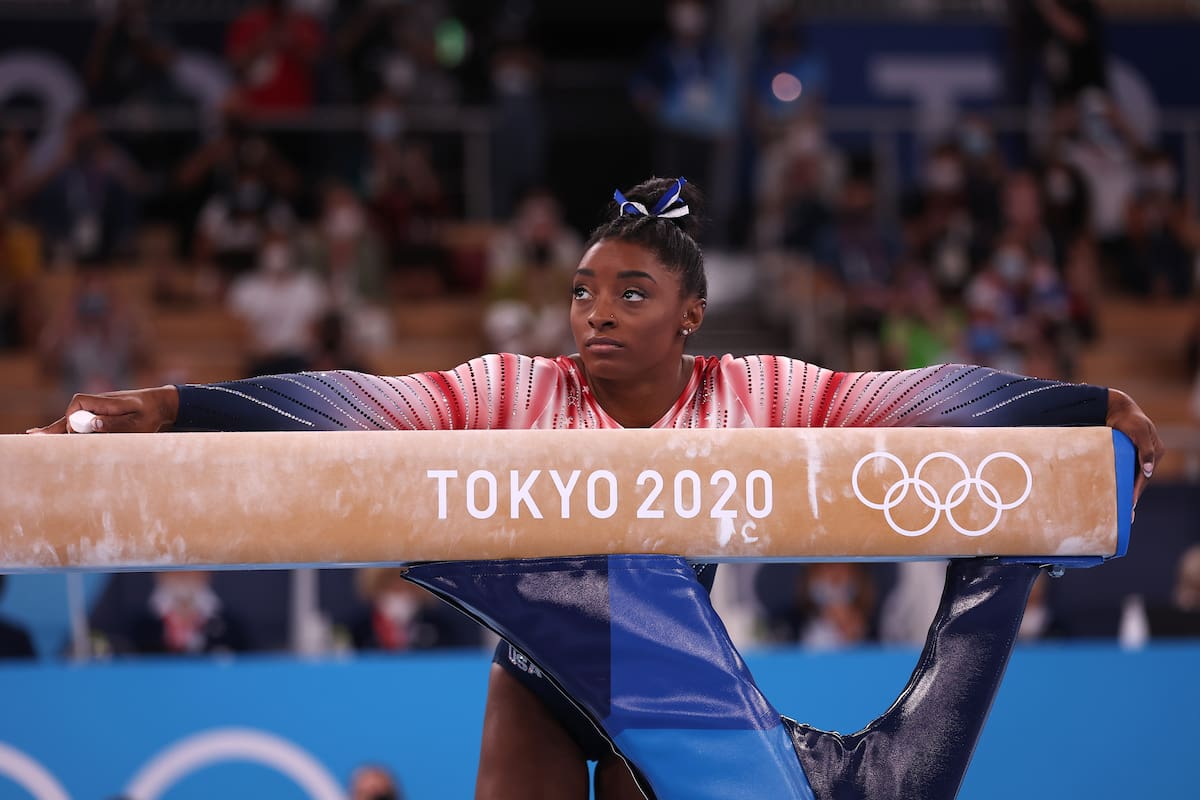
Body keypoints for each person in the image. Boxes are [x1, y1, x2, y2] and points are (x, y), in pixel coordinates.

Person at [30, 176, 1163, 799]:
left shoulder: (755, 391)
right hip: (538, 675)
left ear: (690, 313)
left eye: (629, 293)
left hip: (667, 680)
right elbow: (351, 404)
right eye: (582, 291)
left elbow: (921, 396)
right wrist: (174, 406)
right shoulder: (516, 390)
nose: (596, 314)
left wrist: (1077, 404)